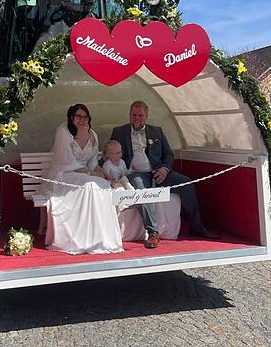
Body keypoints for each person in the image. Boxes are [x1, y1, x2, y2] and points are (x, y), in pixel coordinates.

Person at [110, 100, 220, 248]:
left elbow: (168, 155)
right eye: (134, 114)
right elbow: (111, 153)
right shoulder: (119, 132)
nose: (137, 118)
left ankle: (197, 226)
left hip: (158, 172)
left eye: (140, 115)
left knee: (186, 183)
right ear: (129, 115)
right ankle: (153, 232)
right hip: (136, 174)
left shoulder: (157, 132)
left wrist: (165, 169)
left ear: (147, 116)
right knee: (142, 192)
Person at [42, 104, 123, 254]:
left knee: (103, 184)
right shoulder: (64, 132)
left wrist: (107, 176)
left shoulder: (93, 134)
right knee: (90, 185)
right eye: (78, 116)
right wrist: (90, 174)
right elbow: (66, 161)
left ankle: (101, 236)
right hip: (64, 174)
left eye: (85, 117)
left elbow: (93, 162)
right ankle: (81, 238)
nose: (82, 119)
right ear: (71, 118)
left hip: (85, 174)